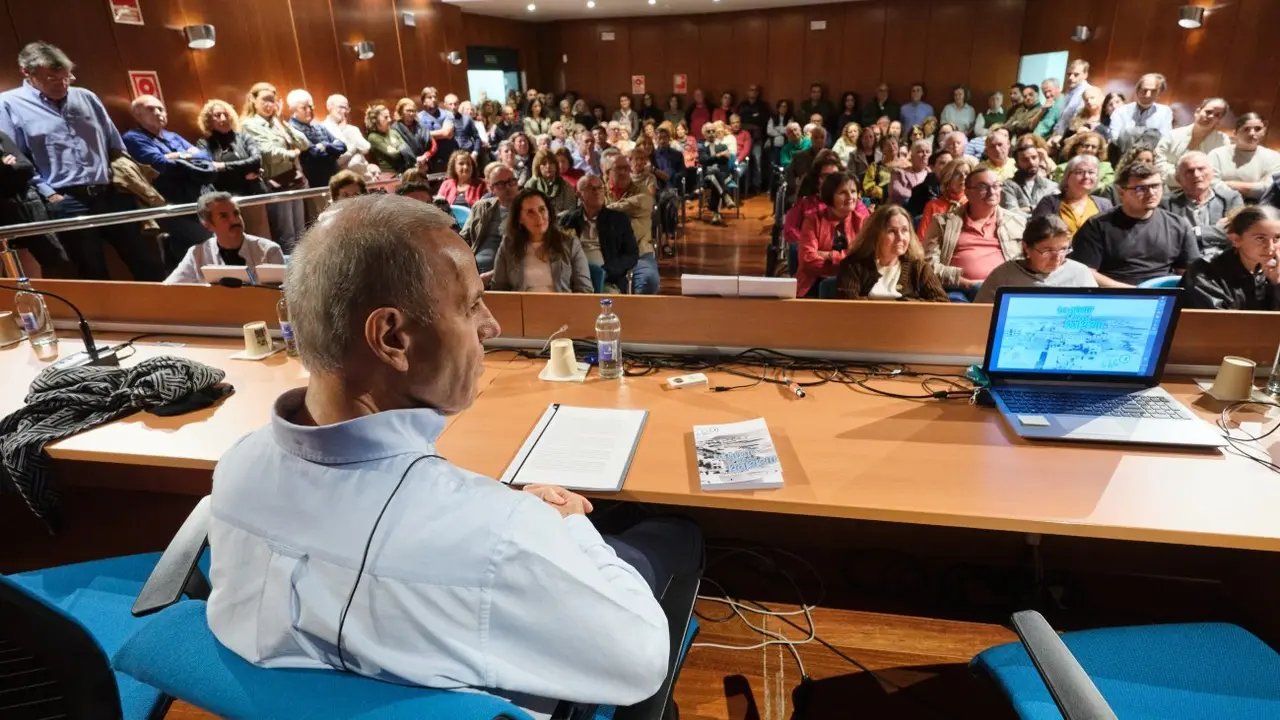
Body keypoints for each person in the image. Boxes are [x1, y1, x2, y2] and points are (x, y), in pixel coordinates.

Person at [208, 192, 698, 716]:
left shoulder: (237, 466)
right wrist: (568, 523)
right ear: (392, 338)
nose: (490, 325)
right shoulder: (498, 534)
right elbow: (642, 661)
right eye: (470, 305)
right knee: (675, 537)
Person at [0, 41, 164, 280]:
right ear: (28, 73)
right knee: (92, 272)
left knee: (148, 262)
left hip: (111, 193)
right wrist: (50, 195)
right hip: (65, 199)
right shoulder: (8, 103)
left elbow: (114, 144)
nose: (62, 84)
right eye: (52, 78)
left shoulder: (86, 97)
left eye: (66, 77)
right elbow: (15, 160)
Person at [123, 94, 217, 264]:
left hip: (198, 199)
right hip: (171, 204)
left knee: (195, 250)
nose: (158, 112)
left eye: (160, 108)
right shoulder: (133, 138)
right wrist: (188, 156)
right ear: (138, 115)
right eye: (151, 109)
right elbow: (160, 164)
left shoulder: (171, 135)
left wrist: (175, 156)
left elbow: (205, 157)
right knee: (207, 242)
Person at [1072, 162, 1199, 287]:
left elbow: (1188, 273)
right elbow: (1085, 272)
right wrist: (1135, 293)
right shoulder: (1097, 225)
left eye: (1156, 186)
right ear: (1121, 192)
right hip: (1116, 296)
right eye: (1141, 188)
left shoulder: (1178, 225)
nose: (1151, 193)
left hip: (1163, 295)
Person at [922, 166, 1027, 297]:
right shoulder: (943, 222)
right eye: (983, 187)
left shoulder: (1017, 222)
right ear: (967, 192)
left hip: (1006, 289)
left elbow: (1028, 261)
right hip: (958, 289)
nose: (992, 191)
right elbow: (928, 266)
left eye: (996, 186)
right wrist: (967, 283)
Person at [242, 82, 310, 251]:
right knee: (286, 234)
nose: (269, 104)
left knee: (300, 231)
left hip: (294, 180)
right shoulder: (249, 124)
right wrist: (290, 154)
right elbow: (267, 153)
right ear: (252, 100)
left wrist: (281, 123)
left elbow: (304, 143)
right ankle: (290, 273)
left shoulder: (277, 123)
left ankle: (302, 270)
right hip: (275, 184)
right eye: (265, 99)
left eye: (272, 100)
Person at [164, 191, 284, 285]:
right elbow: (169, 289)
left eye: (236, 213)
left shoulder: (269, 251)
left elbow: (281, 297)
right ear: (208, 225)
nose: (235, 220)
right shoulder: (197, 254)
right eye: (224, 216)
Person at [834, 204, 947, 301]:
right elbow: (847, 305)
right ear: (876, 235)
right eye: (892, 231)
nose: (900, 237)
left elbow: (942, 302)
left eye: (904, 230)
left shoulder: (919, 268)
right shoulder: (852, 266)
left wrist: (906, 307)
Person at [975, 215, 1097, 302]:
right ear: (1026, 247)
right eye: (1047, 251)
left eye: (1063, 249)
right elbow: (981, 316)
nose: (1057, 258)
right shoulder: (1004, 275)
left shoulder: (1079, 273)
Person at [490, 188, 592, 293]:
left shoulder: (570, 244)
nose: (539, 217)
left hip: (561, 307)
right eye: (530, 212)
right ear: (520, 219)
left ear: (549, 212)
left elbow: (585, 290)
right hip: (522, 308)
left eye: (542, 209)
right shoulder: (508, 245)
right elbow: (499, 288)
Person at [0, 127, 69, 276]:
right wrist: (5, 167)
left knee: (49, 269)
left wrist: (7, 169)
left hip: (21, 212)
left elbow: (26, 168)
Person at [1182, 205, 1280, 310]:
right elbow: (1219, 322)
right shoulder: (1204, 272)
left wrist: (1277, 284)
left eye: (1277, 238)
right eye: (1260, 238)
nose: (1271, 247)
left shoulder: (1274, 270)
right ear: (1236, 240)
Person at [559, 175, 638, 293]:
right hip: (573, 278)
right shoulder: (568, 221)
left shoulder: (618, 220)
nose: (597, 192)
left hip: (607, 279)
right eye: (591, 188)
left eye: (600, 188)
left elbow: (631, 255)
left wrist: (608, 271)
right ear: (580, 194)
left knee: (609, 297)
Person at [1161, 151, 1243, 259]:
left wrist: (1191, 232)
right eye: (1189, 171)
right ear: (1178, 178)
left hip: (1224, 262)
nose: (1197, 175)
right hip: (1183, 264)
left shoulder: (1231, 198)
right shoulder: (1166, 203)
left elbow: (1238, 234)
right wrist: (1216, 230)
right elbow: (1168, 238)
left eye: (1201, 169)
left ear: (1212, 172)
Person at [796, 171, 864, 297]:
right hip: (813, 284)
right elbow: (807, 262)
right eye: (843, 192)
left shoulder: (863, 221)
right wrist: (846, 262)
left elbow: (864, 263)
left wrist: (829, 256)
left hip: (854, 285)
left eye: (853, 191)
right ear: (829, 196)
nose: (850, 197)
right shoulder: (812, 220)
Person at [604, 154, 658, 294]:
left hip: (640, 251)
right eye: (618, 169)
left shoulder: (642, 191)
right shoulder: (600, 191)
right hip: (607, 253)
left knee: (649, 279)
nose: (623, 172)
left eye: (626, 168)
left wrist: (605, 211)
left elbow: (642, 202)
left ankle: (639, 315)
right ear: (607, 172)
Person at [784, 151, 857, 248]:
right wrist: (809, 242)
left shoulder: (851, 201)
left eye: (835, 175)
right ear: (818, 179)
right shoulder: (805, 203)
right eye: (826, 176)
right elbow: (790, 229)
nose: (831, 180)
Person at [1154, 97, 1229, 189]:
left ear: (1219, 121)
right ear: (1197, 112)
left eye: (1217, 115)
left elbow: (1218, 171)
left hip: (1201, 193)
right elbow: (1158, 162)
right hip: (1166, 189)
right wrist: (1182, 178)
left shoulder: (1222, 141)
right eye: (1208, 112)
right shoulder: (1173, 135)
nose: (1211, 116)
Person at [1034, 154, 1113, 237]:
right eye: (1080, 172)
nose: (1086, 176)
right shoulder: (1049, 202)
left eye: (1091, 172)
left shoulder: (1104, 204)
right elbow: (1038, 234)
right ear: (1067, 176)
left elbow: (1111, 237)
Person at [461, 164, 520, 275]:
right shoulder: (481, 208)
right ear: (491, 189)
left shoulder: (528, 210)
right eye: (501, 184)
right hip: (474, 268)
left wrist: (489, 276)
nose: (508, 187)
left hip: (508, 274)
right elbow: (464, 239)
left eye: (512, 181)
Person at [1209, 113, 1280, 201]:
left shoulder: (1274, 157)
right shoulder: (1217, 154)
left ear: (1264, 131)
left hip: (1259, 206)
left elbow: (1271, 189)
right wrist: (1256, 186)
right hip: (1221, 202)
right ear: (1235, 132)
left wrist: (1230, 184)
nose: (1252, 133)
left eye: (1258, 129)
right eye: (1246, 129)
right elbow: (1211, 184)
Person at [286, 90, 346, 190]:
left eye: (310, 106)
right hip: (316, 182)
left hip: (334, 178)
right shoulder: (292, 129)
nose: (309, 110)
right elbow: (315, 153)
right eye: (304, 108)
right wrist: (332, 150)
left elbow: (342, 146)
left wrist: (326, 145)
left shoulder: (318, 125)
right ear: (293, 110)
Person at [1109, 73, 1174, 153]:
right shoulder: (1120, 111)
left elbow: (1164, 139)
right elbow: (1115, 138)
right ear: (1137, 90)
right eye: (1145, 90)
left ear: (1159, 93)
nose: (1148, 95)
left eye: (1153, 91)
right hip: (1123, 156)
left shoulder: (1165, 112)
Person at [1001, 136, 1056, 214]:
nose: (1031, 162)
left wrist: (1026, 209)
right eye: (1025, 160)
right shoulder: (1008, 186)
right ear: (1017, 164)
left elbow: (1056, 209)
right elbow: (1011, 213)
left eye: (1034, 157)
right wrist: (1038, 207)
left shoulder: (1050, 186)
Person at [918, 157, 970, 239]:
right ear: (947, 178)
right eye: (957, 173)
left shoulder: (972, 204)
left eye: (967, 173)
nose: (963, 177)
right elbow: (922, 237)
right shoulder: (933, 205)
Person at [323, 94, 373, 172]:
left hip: (362, 174)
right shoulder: (323, 128)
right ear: (329, 107)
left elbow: (366, 148)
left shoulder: (352, 129)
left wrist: (347, 132)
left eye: (346, 108)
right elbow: (336, 161)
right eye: (341, 107)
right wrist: (353, 149)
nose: (344, 111)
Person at [526, 148, 578, 216]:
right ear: (538, 167)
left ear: (556, 166)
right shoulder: (531, 185)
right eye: (544, 163)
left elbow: (570, 209)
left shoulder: (565, 186)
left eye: (551, 163)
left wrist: (553, 218)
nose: (548, 166)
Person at [737, 85, 769, 193]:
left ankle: (757, 186)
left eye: (755, 90)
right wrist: (753, 123)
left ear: (758, 92)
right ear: (747, 92)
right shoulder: (742, 105)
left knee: (757, 162)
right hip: (743, 138)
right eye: (751, 90)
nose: (753, 92)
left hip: (757, 138)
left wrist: (751, 123)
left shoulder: (763, 106)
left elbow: (763, 122)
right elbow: (739, 121)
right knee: (744, 162)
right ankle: (745, 186)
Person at [1050, 60, 1094, 139]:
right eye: (1069, 74)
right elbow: (1062, 118)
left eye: (1076, 75)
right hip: (1058, 136)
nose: (1071, 77)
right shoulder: (1069, 91)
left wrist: (1062, 138)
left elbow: (1079, 120)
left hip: (1073, 137)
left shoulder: (1088, 92)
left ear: (1085, 75)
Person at [366, 104, 414, 174]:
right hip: (390, 175)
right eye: (386, 117)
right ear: (375, 120)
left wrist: (400, 149)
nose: (389, 120)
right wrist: (400, 148)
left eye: (389, 116)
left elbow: (407, 149)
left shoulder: (393, 132)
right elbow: (395, 155)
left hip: (405, 171)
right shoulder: (373, 137)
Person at [905, 149, 951, 218]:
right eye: (942, 163)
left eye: (950, 163)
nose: (948, 167)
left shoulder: (960, 187)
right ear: (932, 167)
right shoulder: (921, 191)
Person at [393, 98, 435, 173]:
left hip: (425, 166)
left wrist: (425, 156)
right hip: (407, 169)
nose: (411, 113)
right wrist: (416, 161)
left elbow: (433, 144)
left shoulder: (421, 126)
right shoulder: (395, 129)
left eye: (413, 111)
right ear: (401, 111)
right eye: (408, 111)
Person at [888, 139, 931, 207]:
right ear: (912, 156)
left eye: (928, 152)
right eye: (920, 151)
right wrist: (922, 197)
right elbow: (897, 191)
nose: (925, 154)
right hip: (902, 210)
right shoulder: (899, 173)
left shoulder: (933, 175)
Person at [862, 135, 901, 205]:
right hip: (881, 201)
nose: (891, 147)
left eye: (893, 143)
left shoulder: (908, 165)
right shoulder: (875, 166)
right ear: (882, 150)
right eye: (887, 145)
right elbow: (867, 185)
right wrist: (885, 194)